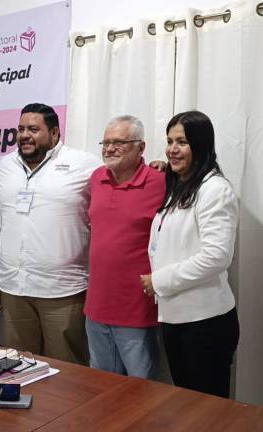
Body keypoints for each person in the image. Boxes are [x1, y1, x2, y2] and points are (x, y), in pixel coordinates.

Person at [0, 103, 102, 364]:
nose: (24, 135)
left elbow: (120, 184)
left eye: (33, 129)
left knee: (66, 371)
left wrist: (157, 169)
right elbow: (2, 220)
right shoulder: (6, 165)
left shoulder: (84, 164)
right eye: (20, 129)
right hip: (12, 286)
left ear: (54, 133)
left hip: (61, 290)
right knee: (17, 366)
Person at [141, 111, 240, 397]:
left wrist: (160, 280)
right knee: (187, 405)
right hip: (176, 318)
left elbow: (217, 256)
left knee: (207, 411)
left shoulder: (215, 190)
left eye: (182, 142)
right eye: (170, 141)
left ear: (201, 144)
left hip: (204, 323)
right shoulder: (181, 186)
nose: (172, 149)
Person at [83, 116, 165, 379]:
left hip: (137, 307)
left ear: (141, 148)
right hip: (96, 305)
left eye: (119, 143)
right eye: (106, 142)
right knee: (101, 384)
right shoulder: (96, 178)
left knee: (142, 388)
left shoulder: (161, 182)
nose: (109, 149)